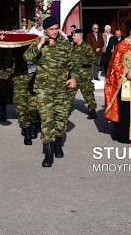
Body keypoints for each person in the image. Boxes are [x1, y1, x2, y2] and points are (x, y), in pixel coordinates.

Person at [24, 16, 78, 167]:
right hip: (44, 90)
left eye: (56, 29)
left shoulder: (65, 45)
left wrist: (73, 78)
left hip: (62, 89)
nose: (55, 32)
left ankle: (58, 145)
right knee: (47, 120)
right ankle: (48, 153)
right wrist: (40, 44)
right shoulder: (38, 44)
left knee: (60, 120)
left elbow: (73, 64)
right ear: (45, 30)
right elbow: (27, 59)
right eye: (51, 29)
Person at [12, 46, 38, 145]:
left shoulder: (38, 41)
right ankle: (26, 131)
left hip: (33, 78)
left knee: (33, 107)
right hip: (20, 78)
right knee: (21, 107)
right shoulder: (18, 43)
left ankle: (34, 124)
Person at [70, 29, 97, 119]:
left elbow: (92, 60)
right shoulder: (72, 47)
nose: (72, 37)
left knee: (88, 93)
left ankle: (92, 111)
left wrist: (82, 59)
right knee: (69, 94)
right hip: (74, 75)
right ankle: (65, 111)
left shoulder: (87, 47)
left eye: (74, 36)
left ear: (79, 36)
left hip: (84, 75)